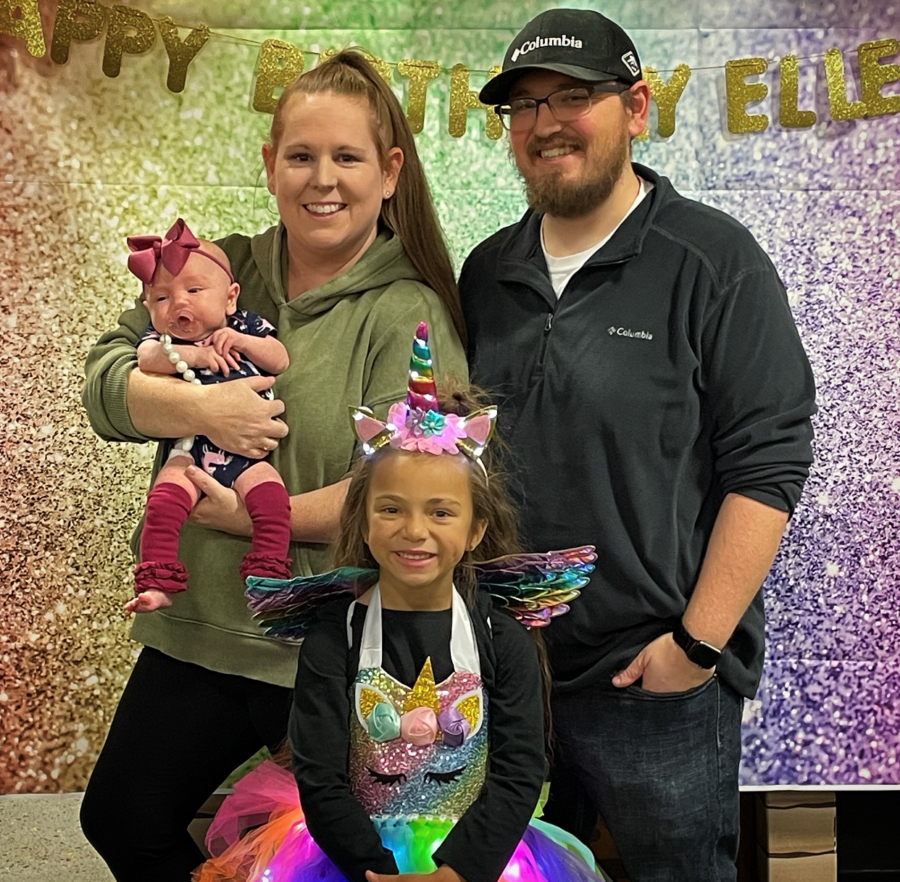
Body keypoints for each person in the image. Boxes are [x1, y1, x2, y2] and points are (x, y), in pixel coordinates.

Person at [79, 50, 468, 882]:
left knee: (346, 863)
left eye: (347, 157)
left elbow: (401, 490)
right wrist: (202, 410)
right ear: (269, 164)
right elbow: (105, 384)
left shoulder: (409, 309)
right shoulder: (214, 272)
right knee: (120, 819)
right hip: (203, 632)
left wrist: (249, 517)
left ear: (391, 170)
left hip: (337, 645)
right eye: (301, 155)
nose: (321, 180)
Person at [460, 8, 817, 882]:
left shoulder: (714, 261)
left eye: (573, 96)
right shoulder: (485, 273)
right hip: (504, 674)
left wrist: (695, 648)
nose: (546, 123)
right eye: (524, 106)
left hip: (651, 683)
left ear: (637, 107)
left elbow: (767, 467)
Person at [193, 324, 604, 882]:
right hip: (353, 859)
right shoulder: (335, 636)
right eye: (391, 510)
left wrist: (459, 871)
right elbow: (319, 774)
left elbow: (518, 770)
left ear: (477, 529)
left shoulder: (500, 639)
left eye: (440, 512)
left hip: (478, 859)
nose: (414, 531)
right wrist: (369, 868)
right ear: (363, 521)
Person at [126, 218, 293, 615]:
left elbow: (280, 358)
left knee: (272, 500)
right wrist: (196, 355)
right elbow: (146, 358)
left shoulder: (244, 325)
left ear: (230, 298)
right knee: (164, 502)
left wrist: (241, 340)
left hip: (247, 456)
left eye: (194, 290)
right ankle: (157, 580)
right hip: (188, 450)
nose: (178, 303)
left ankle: (269, 574)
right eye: (161, 299)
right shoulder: (164, 342)